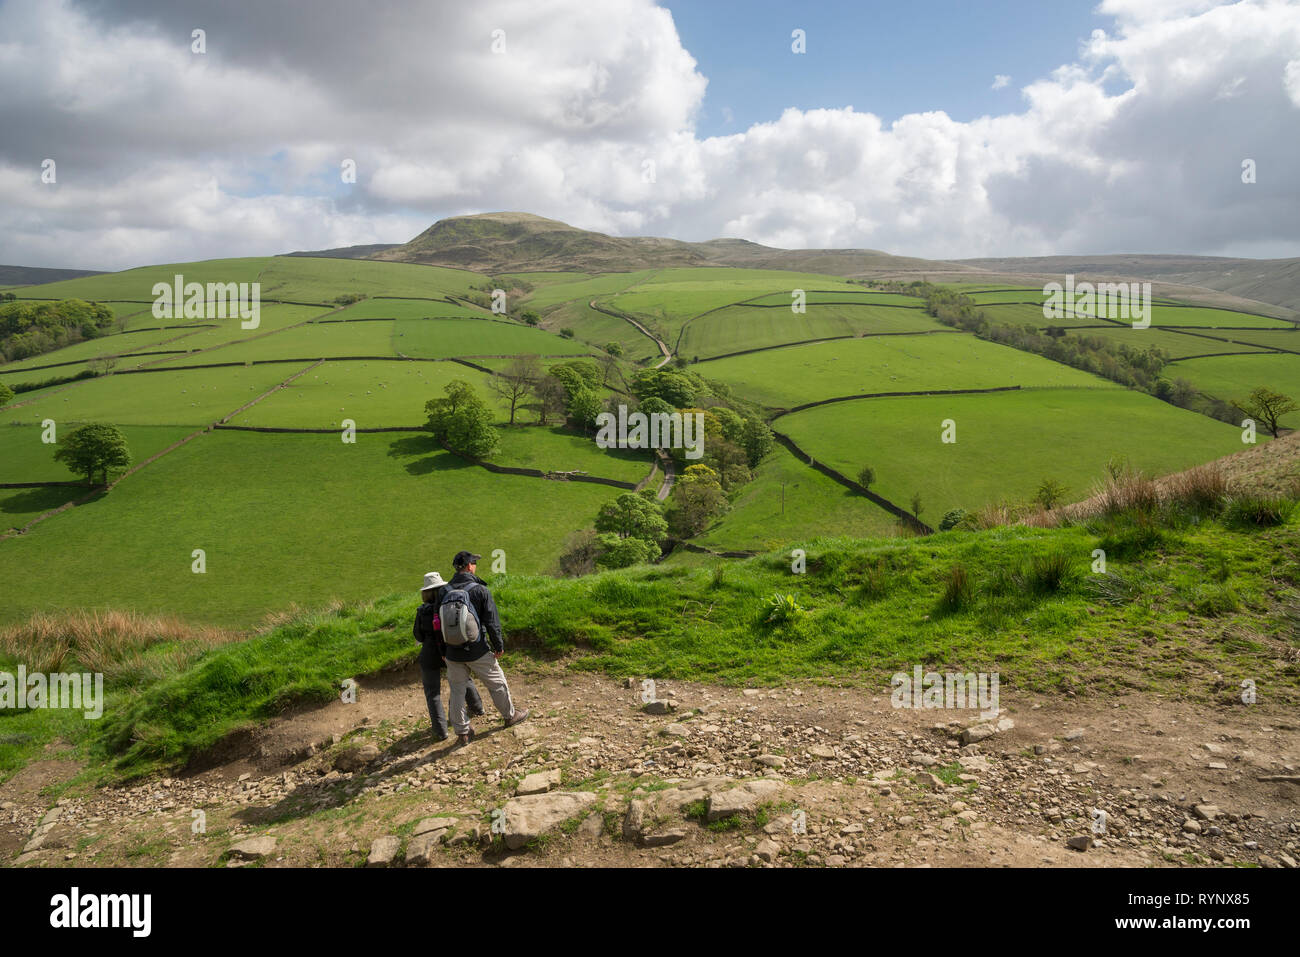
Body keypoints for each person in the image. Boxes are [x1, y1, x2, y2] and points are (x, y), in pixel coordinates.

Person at [443, 550, 529, 746]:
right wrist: (498, 645)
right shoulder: (480, 590)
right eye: (474, 562)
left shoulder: (444, 591)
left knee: (457, 691)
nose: (475, 565)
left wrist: (443, 651)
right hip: (477, 649)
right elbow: (492, 622)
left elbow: (437, 623)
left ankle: (463, 733)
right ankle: (510, 716)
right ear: (469, 566)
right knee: (496, 683)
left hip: (452, 652)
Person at [413, 571, 485, 741]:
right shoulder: (449, 606)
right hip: (449, 650)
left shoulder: (422, 611)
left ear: (425, 592)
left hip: (429, 654)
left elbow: (418, 635)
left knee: (433, 693)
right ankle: (477, 707)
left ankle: (441, 731)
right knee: (463, 679)